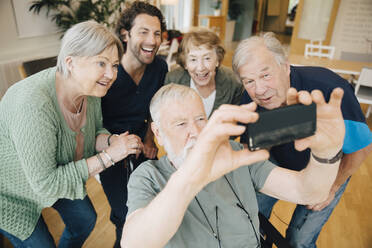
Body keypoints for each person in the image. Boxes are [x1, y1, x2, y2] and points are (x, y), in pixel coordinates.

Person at [120, 83, 346, 248]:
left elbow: (307, 191)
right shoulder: (147, 176)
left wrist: (326, 153)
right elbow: (135, 243)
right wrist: (191, 176)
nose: (196, 133)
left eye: (200, 119)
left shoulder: (233, 153)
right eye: (180, 124)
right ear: (158, 133)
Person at [0, 21, 144, 248]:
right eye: (101, 63)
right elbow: (46, 185)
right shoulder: (33, 104)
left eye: (115, 65)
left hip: (53, 171)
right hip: (10, 193)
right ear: (70, 62)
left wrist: (110, 141)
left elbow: (93, 131)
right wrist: (109, 156)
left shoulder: (92, 91)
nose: (111, 74)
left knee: (84, 220)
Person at [232, 32, 372, 248]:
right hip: (280, 159)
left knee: (299, 240)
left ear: (286, 67)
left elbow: (361, 148)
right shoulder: (249, 99)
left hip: (331, 168)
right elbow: (250, 143)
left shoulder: (327, 89)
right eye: (249, 81)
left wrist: (333, 186)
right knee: (251, 216)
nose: (259, 90)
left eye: (266, 75)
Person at [100, 1, 168, 247]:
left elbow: (156, 108)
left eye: (157, 33)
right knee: (125, 215)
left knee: (150, 207)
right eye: (143, 32)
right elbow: (92, 123)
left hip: (144, 146)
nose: (152, 40)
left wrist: (150, 137)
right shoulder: (107, 73)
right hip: (111, 152)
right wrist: (112, 146)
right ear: (125, 35)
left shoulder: (159, 67)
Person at [164, 28, 243, 118]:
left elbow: (236, 121)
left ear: (217, 60)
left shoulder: (233, 82)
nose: (200, 68)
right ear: (185, 63)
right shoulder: (173, 81)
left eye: (207, 58)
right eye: (193, 59)